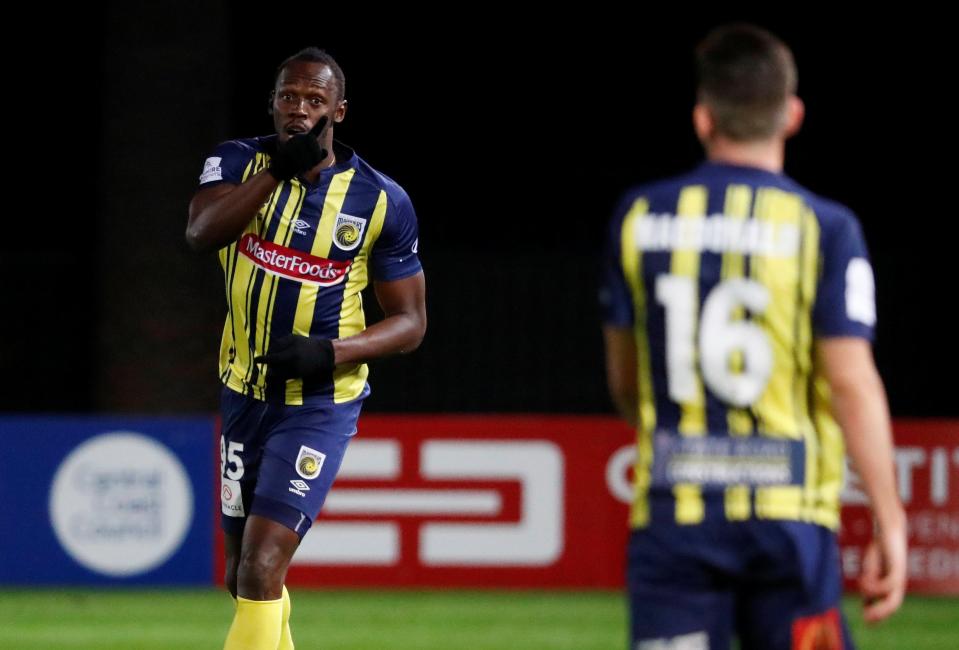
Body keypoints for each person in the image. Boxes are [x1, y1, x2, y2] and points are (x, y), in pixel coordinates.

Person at [600, 24, 905, 650]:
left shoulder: (640, 217)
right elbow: (851, 381)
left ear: (703, 118)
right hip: (791, 527)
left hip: (675, 520)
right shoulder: (826, 227)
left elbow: (627, 382)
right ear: (791, 115)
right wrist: (889, 516)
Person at [187, 47, 426, 650]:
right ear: (272, 103)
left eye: (314, 100)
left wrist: (331, 353)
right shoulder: (236, 161)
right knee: (241, 577)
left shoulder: (380, 200)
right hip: (243, 392)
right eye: (289, 97)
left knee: (263, 566)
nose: (299, 110)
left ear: (338, 112)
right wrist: (276, 173)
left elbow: (410, 322)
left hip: (318, 402)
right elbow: (201, 234)